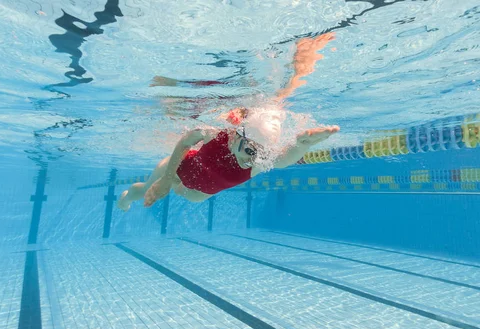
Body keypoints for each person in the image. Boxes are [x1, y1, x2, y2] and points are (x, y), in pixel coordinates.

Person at [117, 33, 339, 211]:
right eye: (251, 150)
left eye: (262, 153)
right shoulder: (216, 132)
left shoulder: (257, 160)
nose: (252, 159)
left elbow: (283, 159)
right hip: (176, 169)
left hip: (196, 194)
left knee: (178, 191)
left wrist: (304, 144)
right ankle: (126, 198)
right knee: (146, 189)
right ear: (236, 136)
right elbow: (186, 140)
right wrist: (166, 179)